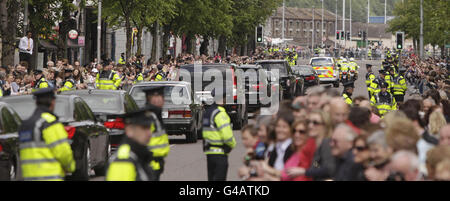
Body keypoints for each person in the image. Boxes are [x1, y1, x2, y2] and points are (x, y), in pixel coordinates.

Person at [18, 88, 76, 181]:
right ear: (52, 102)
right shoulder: (50, 123)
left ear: (36, 103)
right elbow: (63, 152)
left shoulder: (25, 125)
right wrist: (70, 167)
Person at [106, 107, 156, 181]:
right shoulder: (123, 160)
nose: (149, 133)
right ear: (129, 130)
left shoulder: (138, 154)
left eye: (149, 128)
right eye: (144, 128)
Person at [202, 89, 236, 181]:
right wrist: (232, 144)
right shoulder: (220, 113)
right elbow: (226, 135)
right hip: (220, 153)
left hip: (209, 153)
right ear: (223, 98)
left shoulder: (207, 113)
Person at [142, 86, 170, 181]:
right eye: (161, 97)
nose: (163, 100)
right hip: (149, 164)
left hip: (156, 163)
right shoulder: (148, 117)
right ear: (153, 99)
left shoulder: (156, 114)